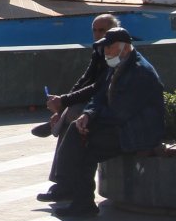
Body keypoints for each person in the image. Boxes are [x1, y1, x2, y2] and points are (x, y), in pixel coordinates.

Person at [45, 27, 165, 218]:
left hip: (137, 132)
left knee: (86, 145)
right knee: (78, 131)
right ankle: (76, 195)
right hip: (120, 125)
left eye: (109, 48)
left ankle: (73, 191)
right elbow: (99, 95)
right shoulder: (118, 65)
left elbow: (121, 112)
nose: (105, 52)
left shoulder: (140, 72)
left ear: (124, 48)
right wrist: (87, 115)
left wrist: (91, 123)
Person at [31, 12, 119, 145]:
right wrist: (63, 103)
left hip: (112, 101)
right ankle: (58, 126)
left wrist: (64, 101)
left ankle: (56, 127)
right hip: (99, 97)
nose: (97, 34)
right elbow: (86, 78)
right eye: (94, 30)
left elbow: (99, 86)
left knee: (74, 113)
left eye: (102, 30)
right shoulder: (99, 49)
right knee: (70, 111)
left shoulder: (117, 52)